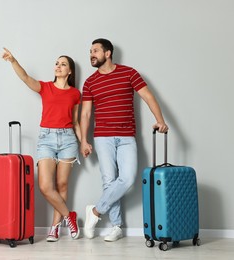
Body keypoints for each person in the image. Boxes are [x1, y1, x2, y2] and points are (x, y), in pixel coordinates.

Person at [80, 38, 169, 242]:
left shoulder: (129, 73)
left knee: (127, 178)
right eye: (90, 51)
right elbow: (85, 114)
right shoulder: (90, 82)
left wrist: (160, 120)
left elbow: (148, 96)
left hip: (127, 136)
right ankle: (117, 226)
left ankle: (95, 211)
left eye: (95, 51)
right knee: (109, 181)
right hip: (102, 138)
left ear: (108, 53)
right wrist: (84, 141)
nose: (91, 54)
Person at [2, 47, 81, 242]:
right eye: (57, 63)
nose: (58, 66)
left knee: (61, 184)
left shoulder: (75, 94)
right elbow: (26, 78)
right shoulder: (46, 87)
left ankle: (54, 228)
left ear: (70, 71)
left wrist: (84, 142)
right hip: (46, 138)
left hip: (68, 140)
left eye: (63, 64)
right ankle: (69, 216)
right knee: (46, 186)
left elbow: (76, 121)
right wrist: (13, 61)